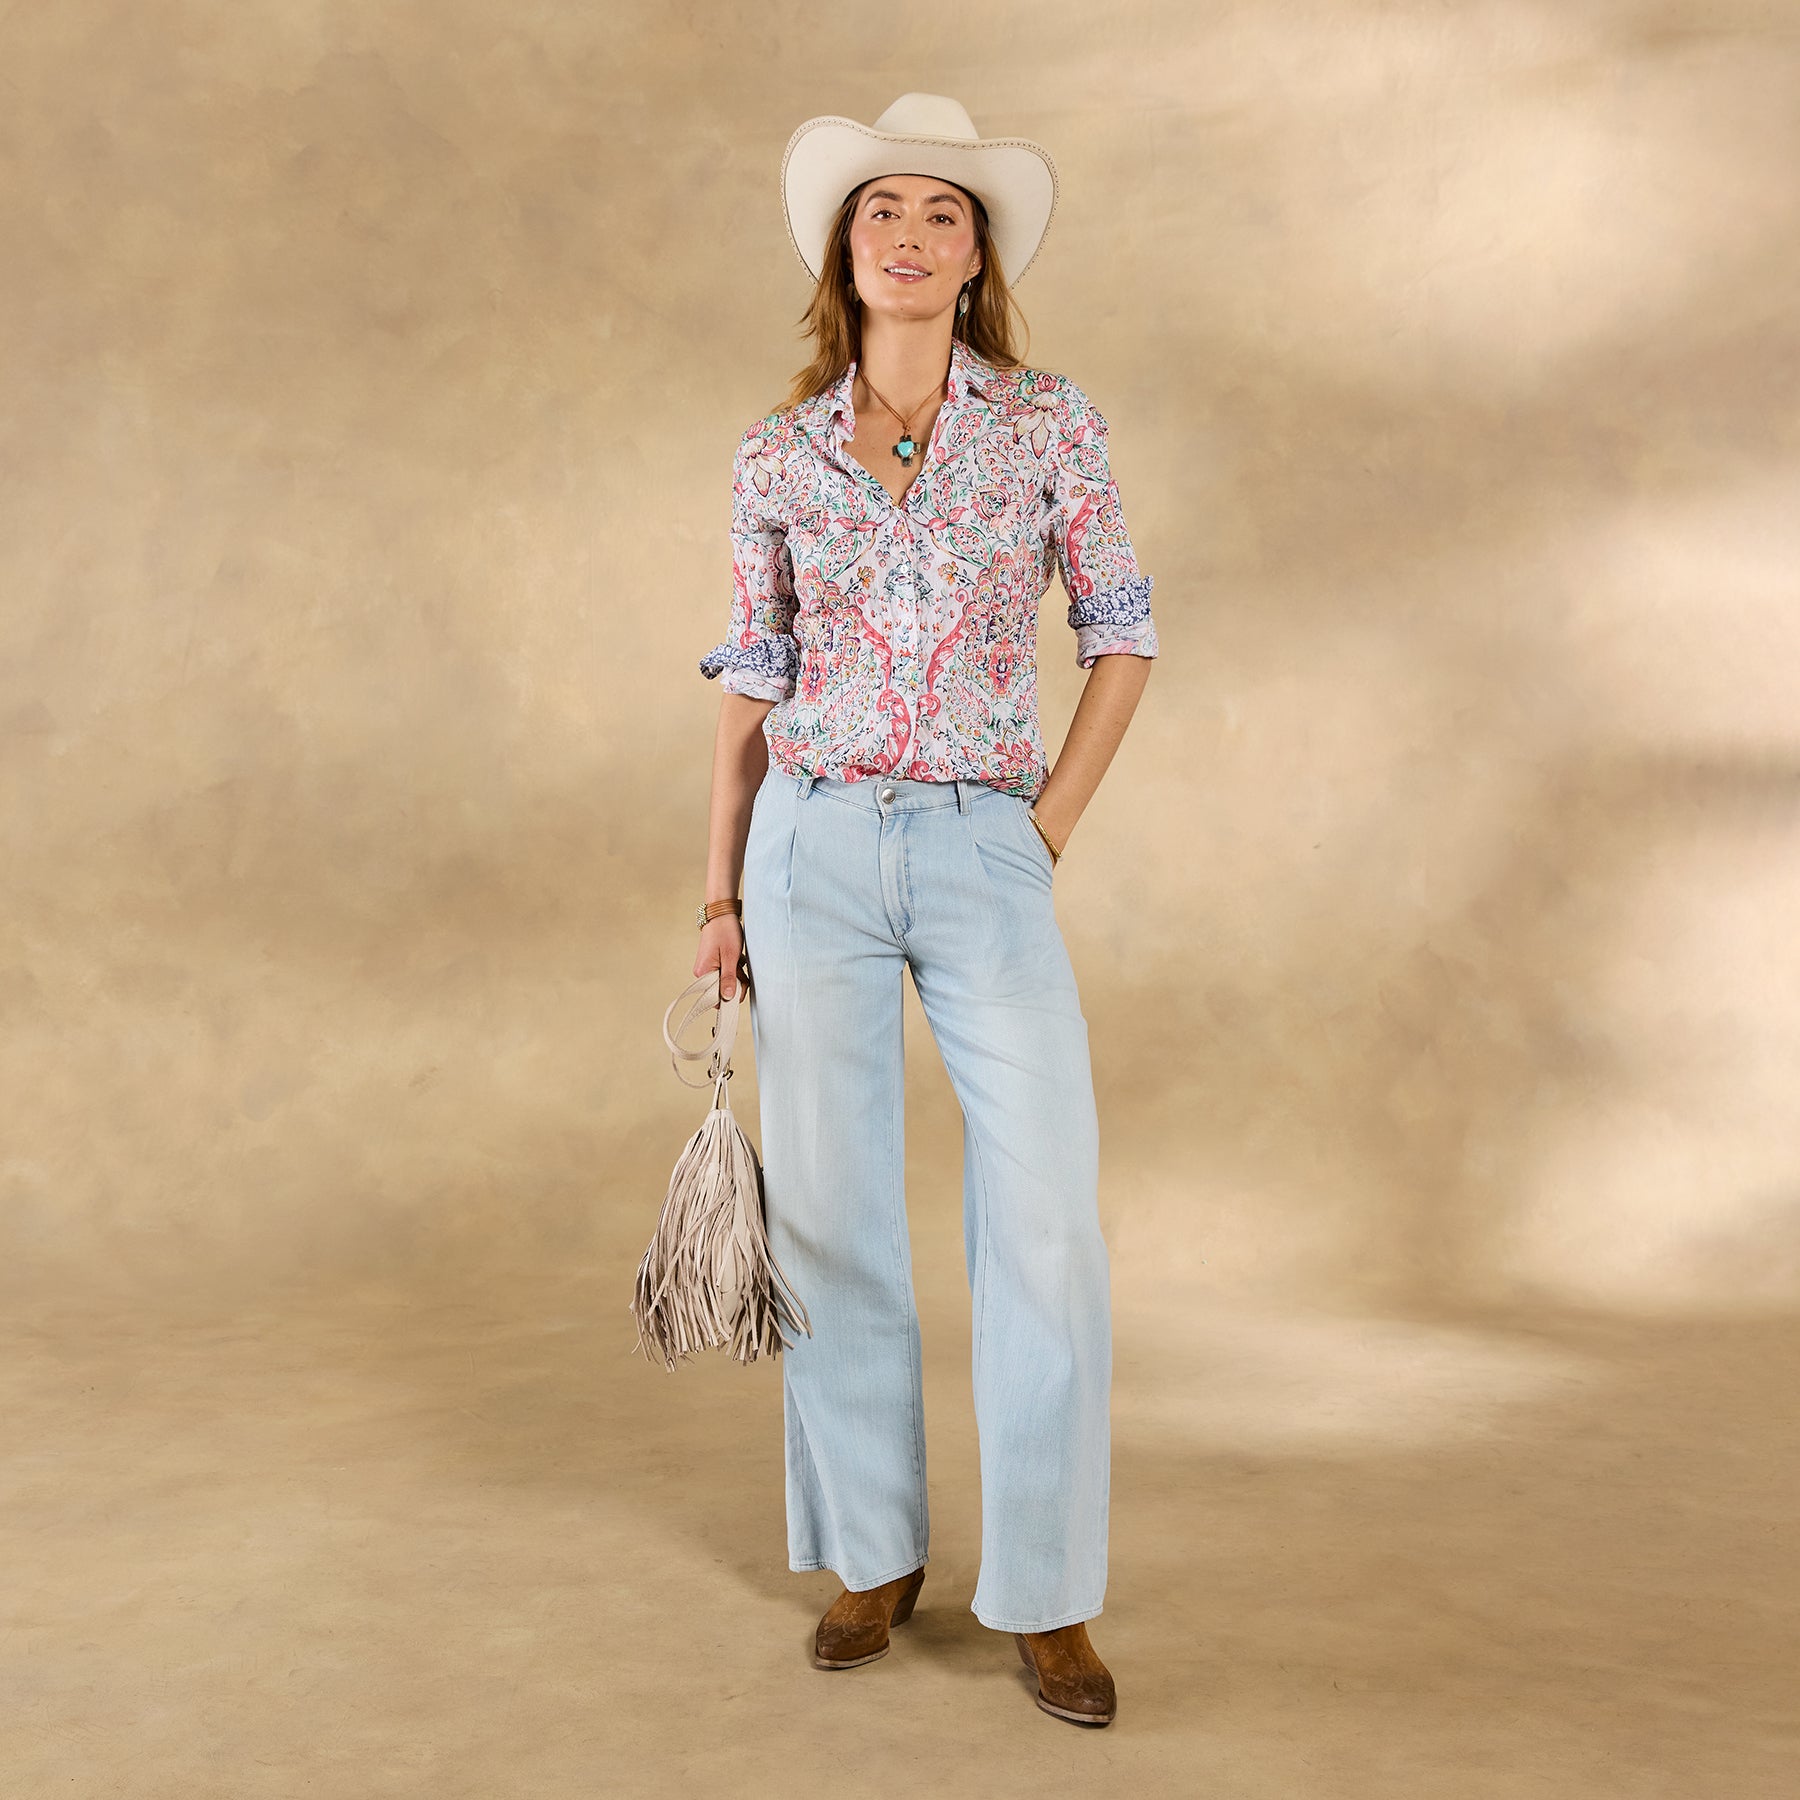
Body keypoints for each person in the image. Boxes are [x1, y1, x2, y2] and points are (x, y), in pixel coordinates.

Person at [691, 93, 1158, 1728]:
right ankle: (871, 1553)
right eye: (880, 209)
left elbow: (1122, 633)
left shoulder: (1049, 424)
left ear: (975, 259)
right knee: (829, 1210)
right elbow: (754, 677)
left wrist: (1042, 833)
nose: (907, 233)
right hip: (808, 850)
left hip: (981, 845)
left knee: (1044, 1218)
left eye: (940, 214)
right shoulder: (778, 451)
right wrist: (718, 891)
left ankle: (1047, 1591)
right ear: (845, 250)